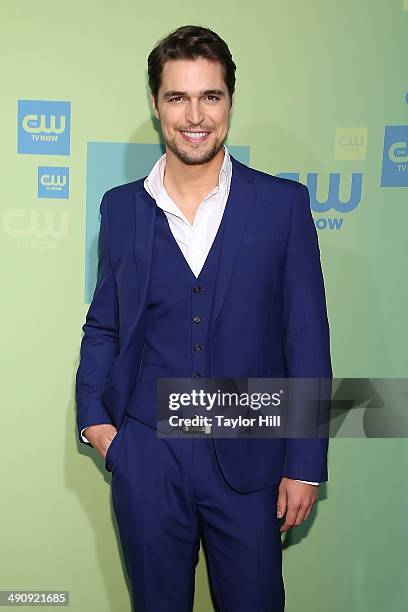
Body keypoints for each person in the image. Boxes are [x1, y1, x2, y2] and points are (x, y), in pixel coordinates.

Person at [75, 24, 332, 611]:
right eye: (178, 97)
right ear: (156, 104)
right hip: (146, 456)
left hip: (250, 457)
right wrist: (99, 424)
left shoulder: (281, 206)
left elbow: (307, 340)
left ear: (230, 102)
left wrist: (305, 463)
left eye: (210, 96)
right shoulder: (121, 209)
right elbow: (105, 326)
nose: (195, 115)